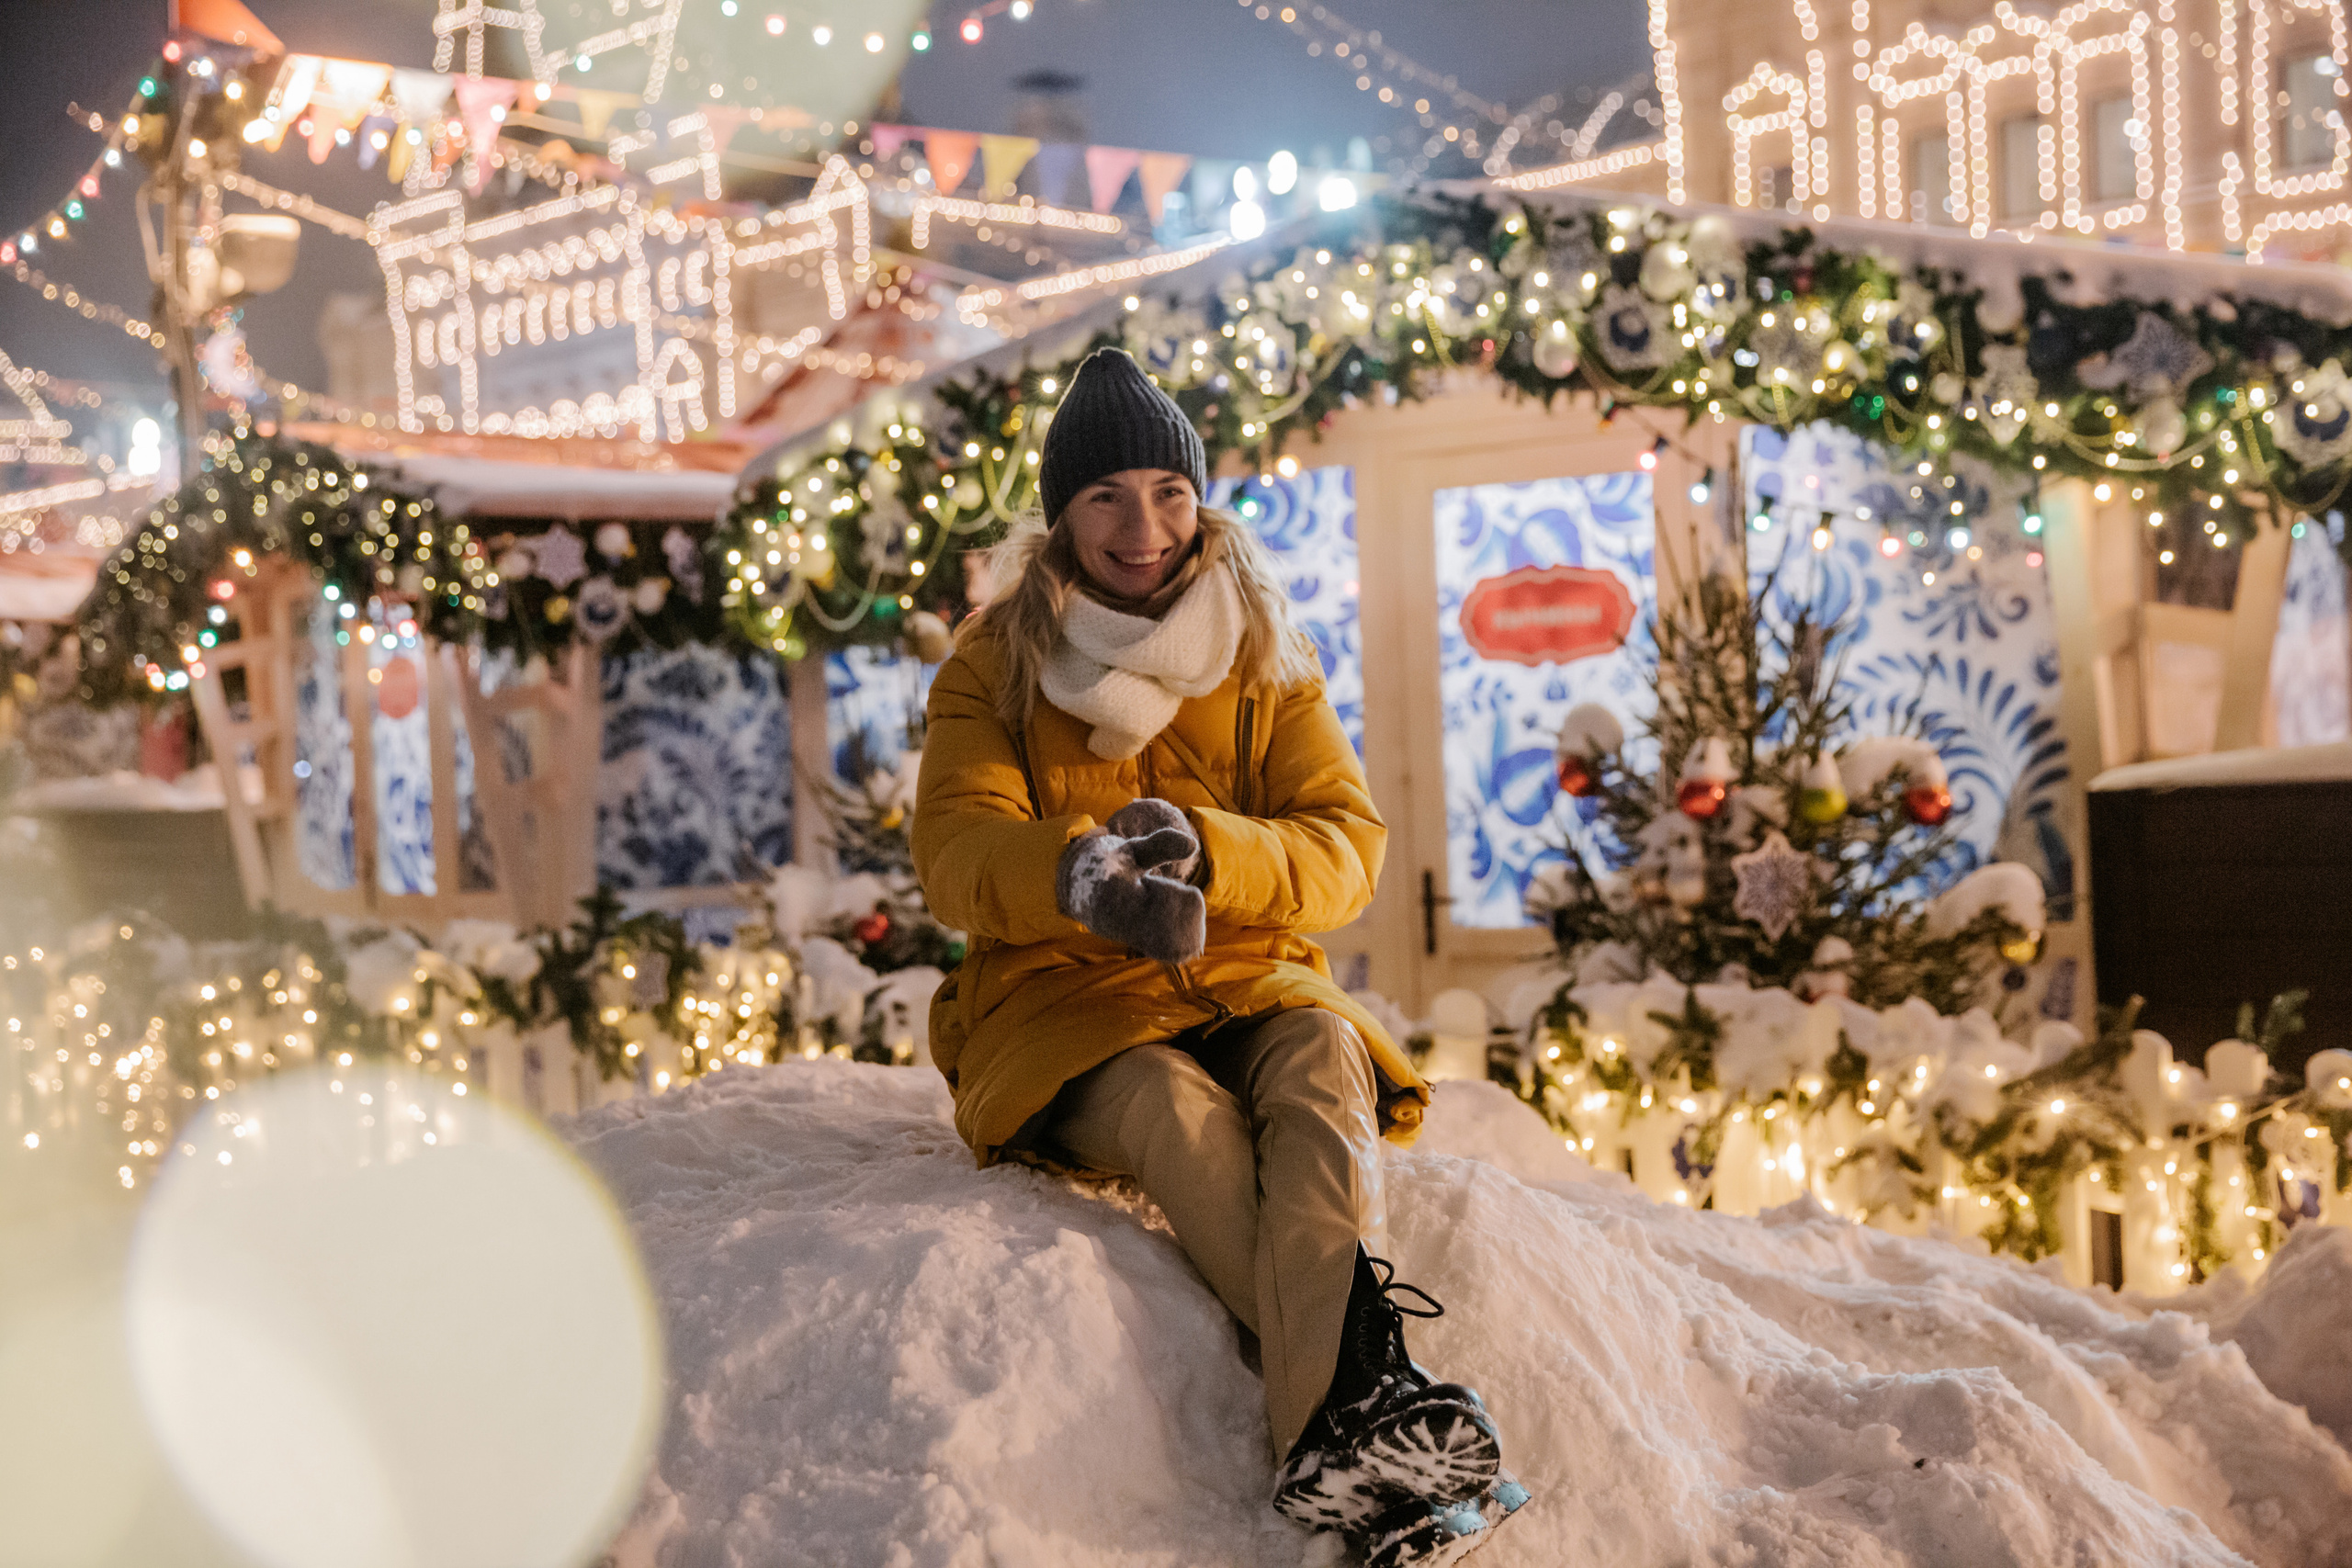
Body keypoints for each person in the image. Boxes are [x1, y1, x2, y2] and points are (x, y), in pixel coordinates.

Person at [911, 347, 1527, 1565]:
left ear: (1200, 500)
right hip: (1061, 1004)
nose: (1144, 527)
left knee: (1318, 1072)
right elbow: (957, 854)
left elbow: (1344, 848)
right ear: (1060, 514)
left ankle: (1326, 1451)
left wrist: (1215, 850)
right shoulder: (992, 666)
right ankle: (1368, 1404)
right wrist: (1078, 877)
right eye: (1106, 499)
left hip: (1250, 976)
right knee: (1175, 1115)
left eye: (1168, 493)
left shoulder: (1261, 657)